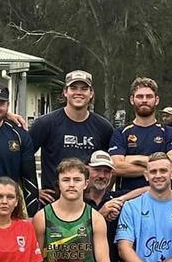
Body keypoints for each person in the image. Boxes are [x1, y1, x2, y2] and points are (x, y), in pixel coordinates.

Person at [29, 70, 116, 202]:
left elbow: (110, 165)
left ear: (91, 93)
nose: (78, 93)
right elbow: (24, 157)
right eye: (73, 88)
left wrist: (103, 194)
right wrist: (34, 190)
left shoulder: (104, 127)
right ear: (65, 92)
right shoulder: (45, 123)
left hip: (87, 202)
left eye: (84, 88)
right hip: (53, 201)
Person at [109, 77, 172, 196]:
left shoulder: (169, 133)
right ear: (132, 100)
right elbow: (117, 167)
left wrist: (132, 159)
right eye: (140, 96)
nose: (144, 100)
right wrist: (161, 166)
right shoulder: (121, 133)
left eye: (149, 96)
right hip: (126, 200)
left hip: (162, 199)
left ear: (156, 100)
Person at [0, 82, 38, 211]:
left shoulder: (19, 135)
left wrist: (31, 214)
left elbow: (29, 179)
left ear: (8, 106)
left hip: (7, 209)